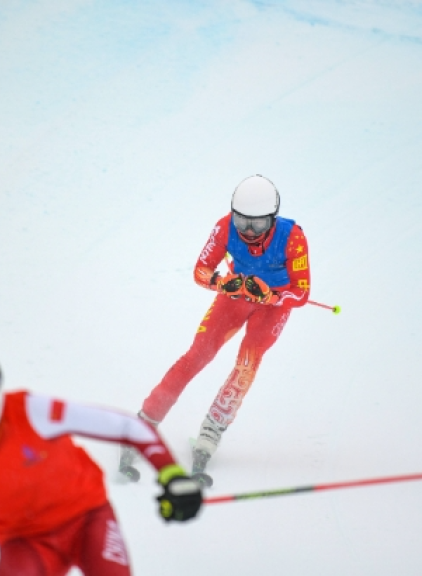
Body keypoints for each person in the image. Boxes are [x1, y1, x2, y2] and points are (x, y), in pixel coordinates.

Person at [0, 346, 202, 576]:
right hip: (25, 543)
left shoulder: (31, 412)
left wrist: (171, 473)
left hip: (89, 521)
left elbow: (127, 426)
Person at [119, 175, 310, 485]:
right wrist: (222, 282)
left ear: (272, 221)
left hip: (272, 308)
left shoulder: (293, 237)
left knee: (247, 362)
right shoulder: (224, 227)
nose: (248, 231)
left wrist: (272, 296)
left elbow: (301, 293)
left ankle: (212, 430)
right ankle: (147, 419)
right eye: (241, 222)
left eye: (257, 225)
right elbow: (201, 270)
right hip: (234, 298)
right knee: (198, 355)